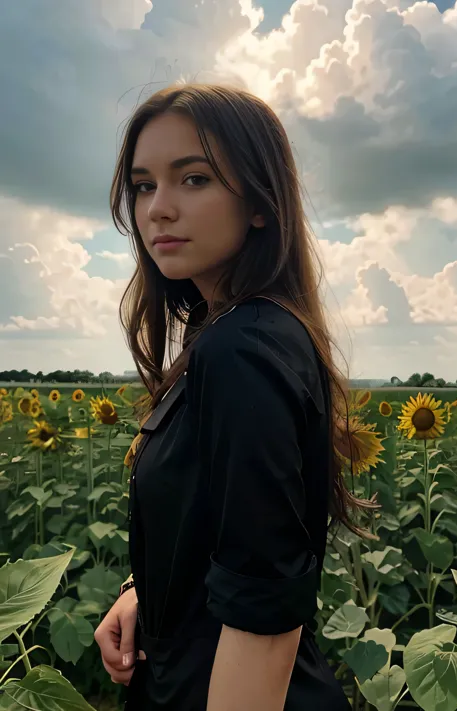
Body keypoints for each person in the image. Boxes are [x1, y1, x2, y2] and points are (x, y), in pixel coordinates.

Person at [94, 82, 373, 710]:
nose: (158, 208)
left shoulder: (241, 347)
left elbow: (263, 614)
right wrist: (147, 590)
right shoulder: (235, 333)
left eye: (193, 179)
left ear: (258, 202)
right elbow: (227, 526)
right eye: (143, 185)